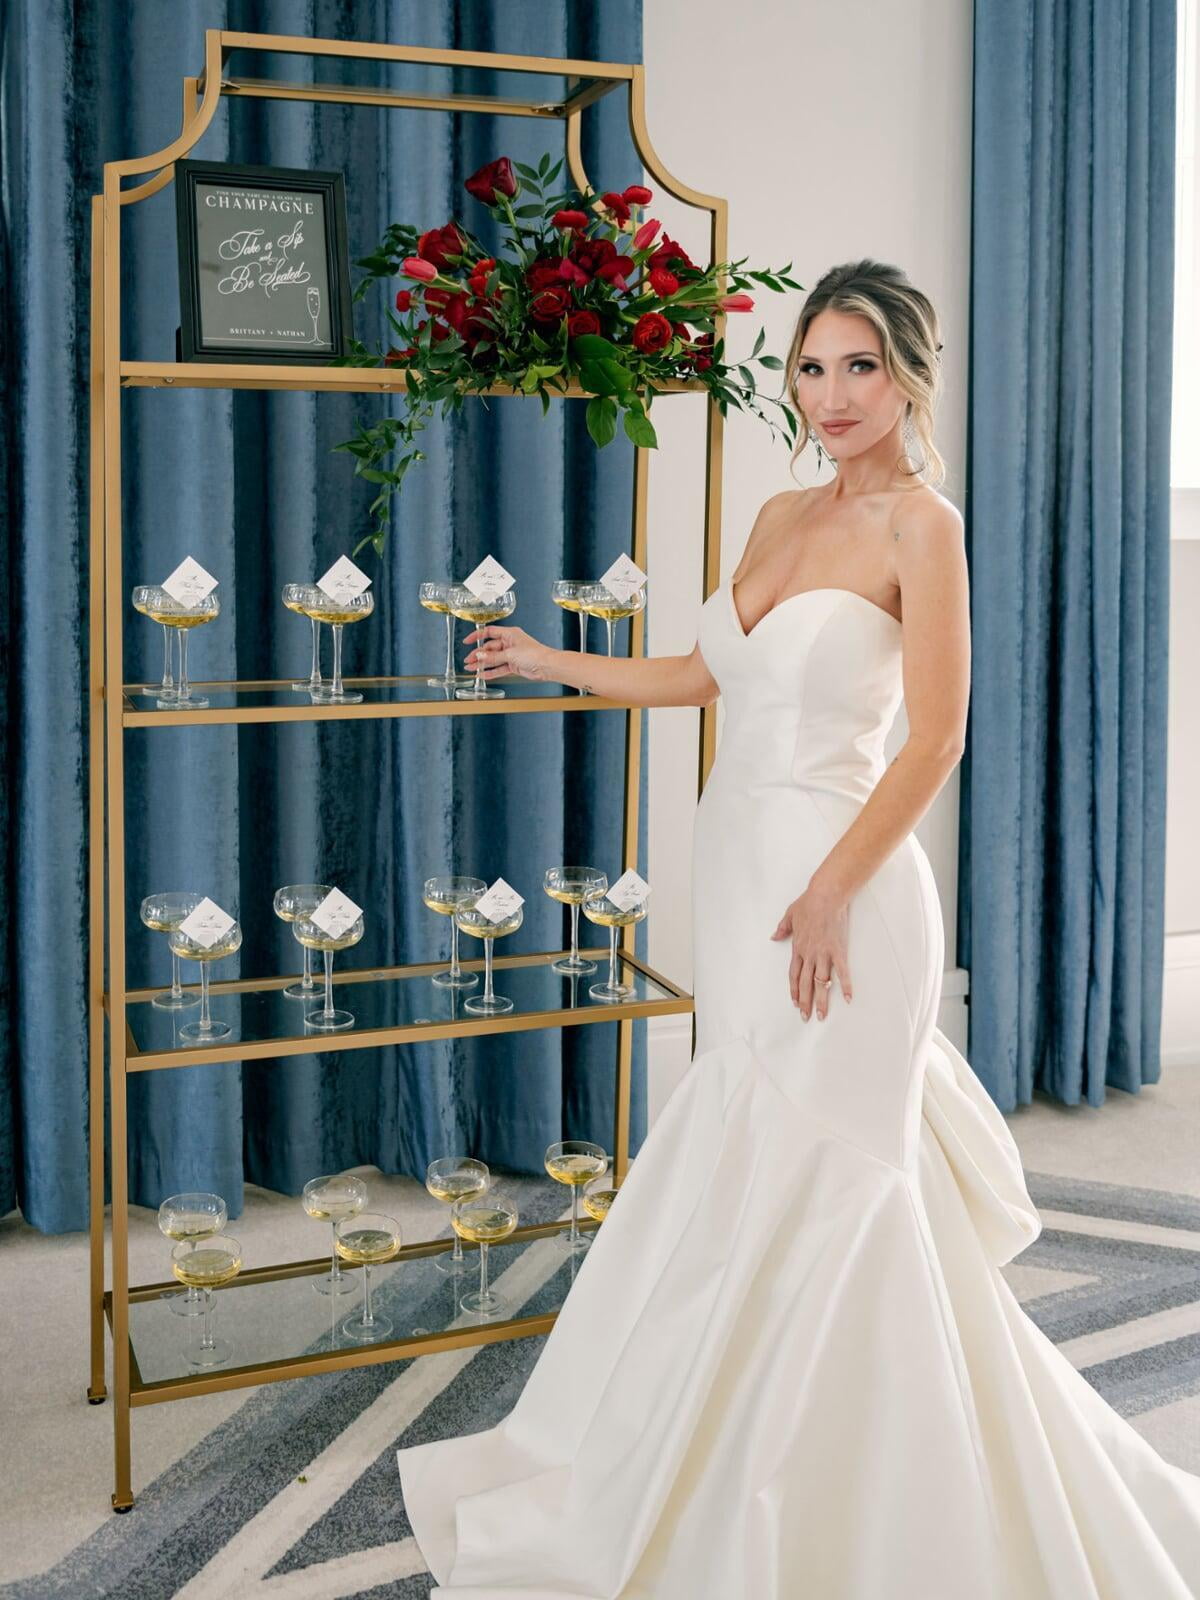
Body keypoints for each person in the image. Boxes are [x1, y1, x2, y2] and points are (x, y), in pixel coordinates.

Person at [396, 261, 1200, 1597]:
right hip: (739, 865)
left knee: (838, 1185)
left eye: (860, 368)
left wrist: (830, 889)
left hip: (849, 890)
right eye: (813, 367)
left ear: (909, 377)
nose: (832, 396)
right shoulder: (776, 513)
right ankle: (705, 1465)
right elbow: (714, 674)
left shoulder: (921, 528)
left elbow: (935, 735)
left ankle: (860, 1512)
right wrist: (553, 662)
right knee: (746, 1164)